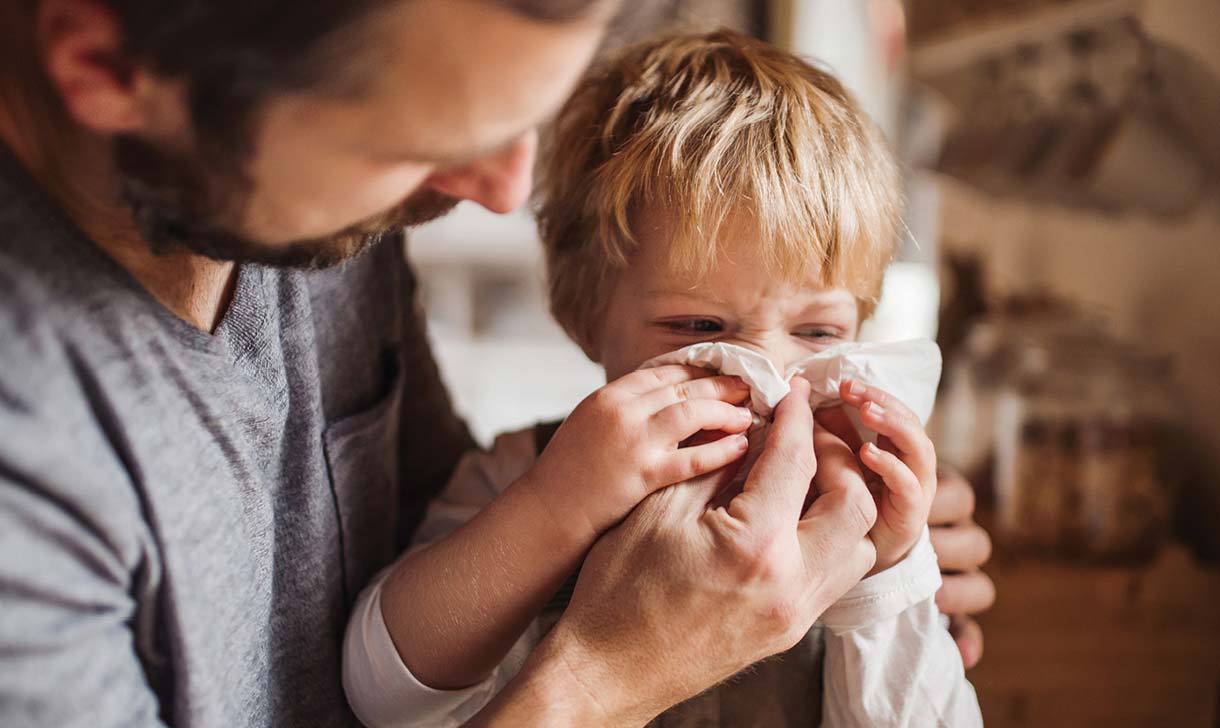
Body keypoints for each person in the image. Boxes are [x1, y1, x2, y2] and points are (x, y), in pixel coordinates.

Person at [0, 1, 993, 726]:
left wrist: (891, 579)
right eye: (414, 138)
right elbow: (387, 671)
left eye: (520, 118)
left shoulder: (313, 204)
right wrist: (609, 667)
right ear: (108, 70)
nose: (503, 190)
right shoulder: (30, 476)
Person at [343, 30, 983, 727]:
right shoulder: (528, 473)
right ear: (586, 317)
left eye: (818, 333)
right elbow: (382, 695)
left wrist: (888, 576)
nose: (770, 378)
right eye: (699, 327)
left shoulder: (855, 502)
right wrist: (557, 505)